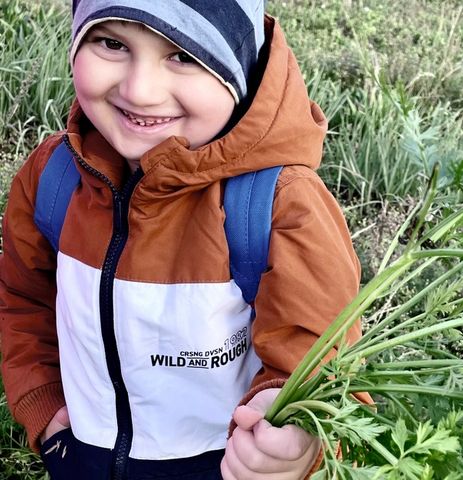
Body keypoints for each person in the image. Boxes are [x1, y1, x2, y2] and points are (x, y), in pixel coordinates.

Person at [0, 1, 362, 479]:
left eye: (184, 55)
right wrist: (44, 406)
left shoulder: (279, 204)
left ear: (241, 69)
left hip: (222, 465)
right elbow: (23, 300)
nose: (140, 90)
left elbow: (323, 357)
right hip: (82, 453)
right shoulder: (53, 178)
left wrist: (294, 432)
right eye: (111, 43)